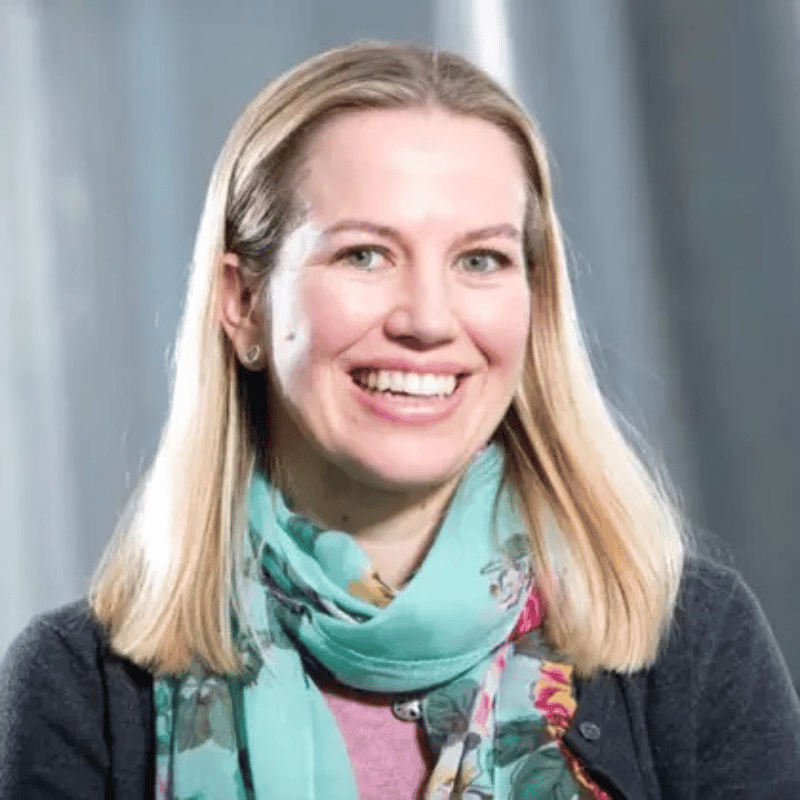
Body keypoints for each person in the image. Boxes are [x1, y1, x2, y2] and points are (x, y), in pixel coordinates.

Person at [1, 41, 799, 800]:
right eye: (364, 255)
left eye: (480, 260)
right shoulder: (80, 692)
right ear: (242, 304)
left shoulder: (693, 647)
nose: (426, 319)